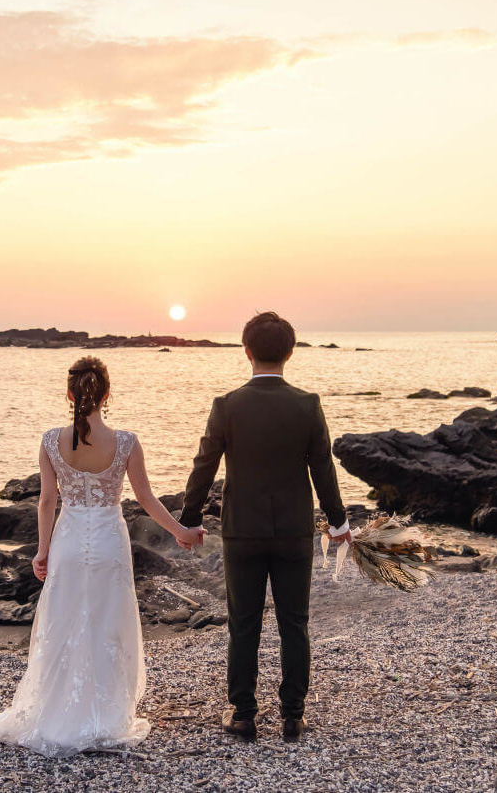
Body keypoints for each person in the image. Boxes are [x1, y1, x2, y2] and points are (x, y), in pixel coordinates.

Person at [0, 355, 205, 758]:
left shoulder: (49, 441)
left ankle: (56, 712)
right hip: (110, 541)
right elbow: (145, 499)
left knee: (64, 624)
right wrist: (180, 531)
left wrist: (41, 551)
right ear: (107, 394)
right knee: (108, 625)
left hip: (69, 541)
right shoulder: (126, 442)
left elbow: (45, 502)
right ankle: (105, 717)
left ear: (69, 393)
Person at [180, 311, 350, 742]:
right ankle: (293, 715)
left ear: (247, 351)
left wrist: (189, 519)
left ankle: (243, 714)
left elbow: (204, 466)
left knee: (244, 623)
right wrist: (338, 522)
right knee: (295, 622)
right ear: (290, 353)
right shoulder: (307, 404)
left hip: (242, 532)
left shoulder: (227, 406)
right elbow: (322, 470)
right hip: (293, 531)